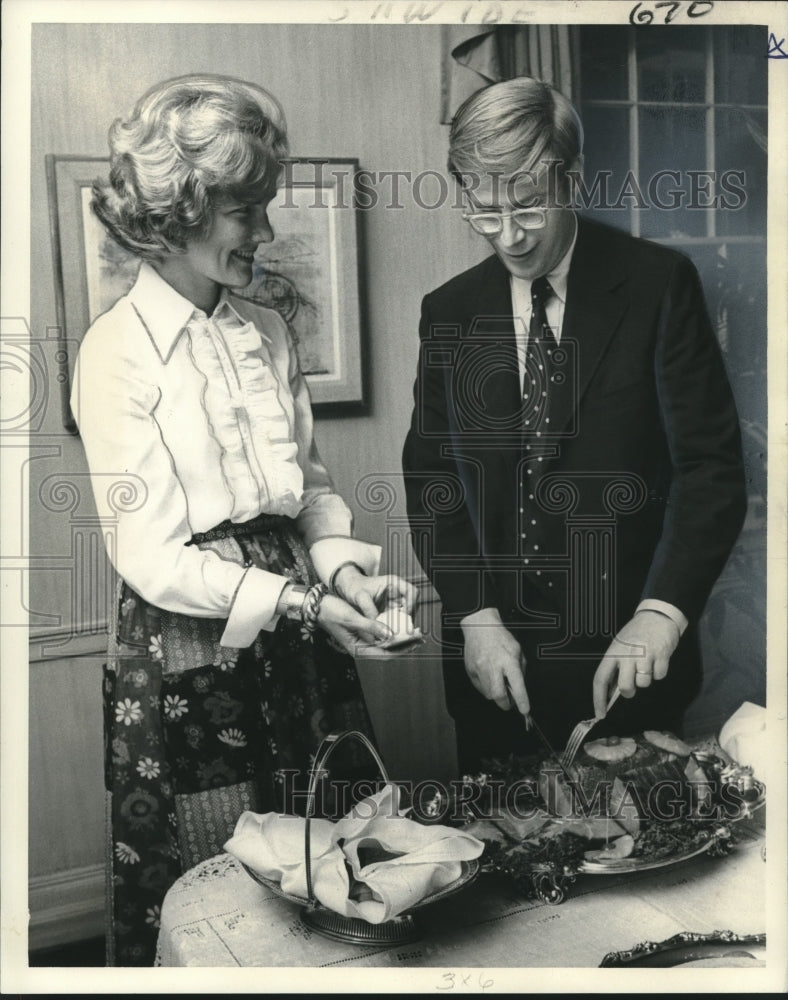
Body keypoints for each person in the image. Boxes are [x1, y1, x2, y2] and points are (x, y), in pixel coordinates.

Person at [72, 73, 416, 966]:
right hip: (189, 649)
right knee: (218, 879)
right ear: (179, 211)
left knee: (334, 864)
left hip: (300, 632)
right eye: (244, 211)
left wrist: (342, 573)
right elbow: (148, 556)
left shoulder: (265, 330)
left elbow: (309, 488)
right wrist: (303, 601)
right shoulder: (115, 352)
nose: (263, 233)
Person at [401, 77, 746, 776]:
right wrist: (474, 617)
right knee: (512, 871)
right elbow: (431, 475)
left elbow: (710, 470)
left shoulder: (659, 285)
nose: (509, 235)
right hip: (494, 672)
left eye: (528, 206)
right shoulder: (449, 311)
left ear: (573, 179)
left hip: (631, 669)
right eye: (484, 211)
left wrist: (661, 613)